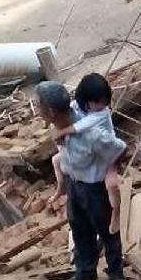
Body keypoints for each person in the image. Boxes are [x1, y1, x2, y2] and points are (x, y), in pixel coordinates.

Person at [35, 78, 126, 280]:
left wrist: (111, 170)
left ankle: (116, 272)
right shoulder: (62, 120)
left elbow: (121, 149)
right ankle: (86, 273)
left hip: (95, 189)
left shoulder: (93, 134)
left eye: (37, 106)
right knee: (80, 230)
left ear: (51, 112)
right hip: (74, 185)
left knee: (107, 231)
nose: (36, 111)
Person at [52, 74, 122, 234]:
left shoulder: (102, 113)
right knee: (56, 160)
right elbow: (66, 116)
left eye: (105, 102)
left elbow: (81, 126)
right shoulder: (76, 106)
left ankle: (116, 212)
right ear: (86, 101)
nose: (103, 105)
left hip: (107, 155)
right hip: (86, 157)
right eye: (98, 102)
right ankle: (60, 187)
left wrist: (62, 132)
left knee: (111, 184)